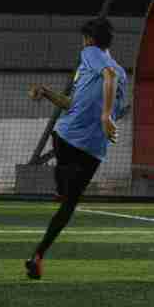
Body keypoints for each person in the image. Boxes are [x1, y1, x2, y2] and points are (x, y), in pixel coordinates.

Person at [24, 17, 128, 280]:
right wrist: (47, 92)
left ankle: (61, 187)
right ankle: (39, 255)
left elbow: (109, 76)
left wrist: (105, 115)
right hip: (93, 148)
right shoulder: (120, 73)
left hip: (69, 139)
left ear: (89, 40)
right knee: (69, 205)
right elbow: (75, 104)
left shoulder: (91, 54)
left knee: (65, 187)